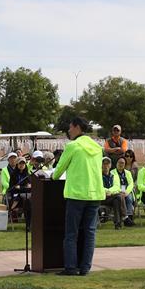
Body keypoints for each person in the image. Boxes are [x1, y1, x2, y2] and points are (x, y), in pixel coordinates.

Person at [52, 116, 105, 276]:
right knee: (90, 232)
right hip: (94, 194)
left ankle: (70, 267)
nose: (68, 130)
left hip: (76, 194)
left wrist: (55, 173)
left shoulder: (73, 146)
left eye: (70, 127)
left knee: (71, 233)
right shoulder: (97, 147)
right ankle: (85, 267)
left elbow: (57, 173)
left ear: (77, 127)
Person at [7, 157, 33, 231]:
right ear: (17, 164)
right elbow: (12, 189)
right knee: (27, 202)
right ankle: (28, 225)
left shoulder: (27, 175)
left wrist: (20, 188)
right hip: (16, 198)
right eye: (20, 163)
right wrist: (23, 188)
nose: (22, 165)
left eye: (23, 163)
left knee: (28, 202)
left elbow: (29, 188)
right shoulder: (13, 175)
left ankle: (29, 225)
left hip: (26, 197)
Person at [100, 157, 126, 229]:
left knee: (117, 200)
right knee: (118, 197)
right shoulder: (98, 176)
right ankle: (123, 217)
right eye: (104, 164)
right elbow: (99, 187)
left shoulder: (114, 176)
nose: (106, 166)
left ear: (110, 165)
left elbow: (117, 187)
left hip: (111, 197)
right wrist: (107, 191)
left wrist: (110, 192)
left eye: (107, 164)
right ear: (101, 165)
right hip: (101, 197)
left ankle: (117, 223)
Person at [115, 157, 135, 226]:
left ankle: (129, 217)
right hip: (117, 191)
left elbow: (131, 184)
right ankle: (125, 218)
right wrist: (120, 191)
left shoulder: (128, 173)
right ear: (116, 163)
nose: (121, 164)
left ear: (125, 164)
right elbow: (114, 184)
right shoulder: (112, 172)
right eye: (119, 163)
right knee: (120, 198)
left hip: (126, 191)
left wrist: (126, 192)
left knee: (129, 198)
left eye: (122, 163)